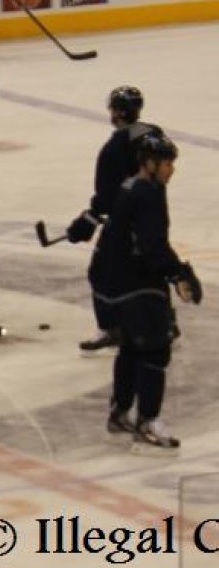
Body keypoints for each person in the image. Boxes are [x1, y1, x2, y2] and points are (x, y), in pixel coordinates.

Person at [89, 134, 201, 454]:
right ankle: (147, 423)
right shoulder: (148, 194)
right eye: (166, 164)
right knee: (156, 350)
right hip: (133, 285)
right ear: (149, 164)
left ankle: (120, 413)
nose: (171, 170)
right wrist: (178, 273)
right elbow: (154, 247)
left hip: (110, 283)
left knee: (131, 347)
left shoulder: (130, 187)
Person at [66, 87, 164, 352]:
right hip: (153, 215)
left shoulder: (114, 148)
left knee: (100, 272)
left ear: (118, 111)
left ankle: (110, 328)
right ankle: (165, 322)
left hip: (123, 223)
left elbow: (107, 196)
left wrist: (87, 221)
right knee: (151, 267)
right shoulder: (154, 135)